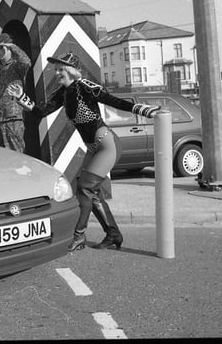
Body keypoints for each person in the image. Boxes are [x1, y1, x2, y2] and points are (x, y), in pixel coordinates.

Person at [10, 53, 160, 251]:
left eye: (61, 69)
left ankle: (79, 236)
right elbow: (41, 112)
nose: (57, 73)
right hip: (93, 147)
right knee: (90, 191)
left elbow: (112, 100)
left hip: (107, 144)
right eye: (56, 70)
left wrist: (142, 110)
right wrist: (21, 97)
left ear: (71, 70)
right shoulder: (63, 93)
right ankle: (113, 234)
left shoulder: (84, 86)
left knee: (84, 188)